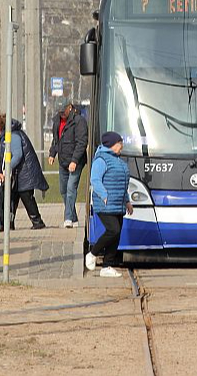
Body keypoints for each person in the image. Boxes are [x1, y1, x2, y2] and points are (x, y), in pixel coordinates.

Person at [85, 131, 132, 278]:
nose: (122, 146)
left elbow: (123, 184)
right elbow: (95, 179)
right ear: (112, 144)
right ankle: (92, 254)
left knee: (116, 235)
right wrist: (104, 195)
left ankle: (107, 266)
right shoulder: (101, 159)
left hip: (118, 203)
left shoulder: (118, 160)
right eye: (120, 143)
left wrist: (127, 201)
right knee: (113, 230)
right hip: (105, 203)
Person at [0, 117, 48, 230]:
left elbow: (17, 155)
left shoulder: (14, 136)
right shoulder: (11, 134)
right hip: (19, 175)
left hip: (24, 174)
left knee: (27, 198)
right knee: (12, 199)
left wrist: (7, 168)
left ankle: (37, 221)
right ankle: (9, 224)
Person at [48, 102, 88, 228]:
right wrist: (52, 154)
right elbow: (56, 140)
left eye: (63, 110)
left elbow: (82, 142)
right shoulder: (57, 122)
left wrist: (75, 161)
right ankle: (74, 218)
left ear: (70, 108)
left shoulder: (79, 121)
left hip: (75, 162)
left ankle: (68, 218)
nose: (61, 113)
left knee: (71, 189)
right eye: (59, 111)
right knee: (63, 190)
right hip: (63, 161)